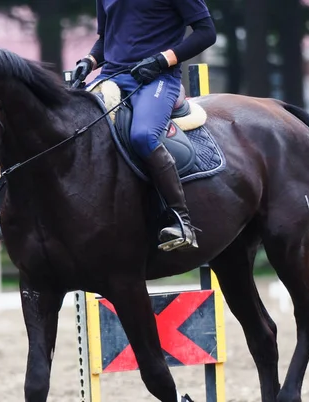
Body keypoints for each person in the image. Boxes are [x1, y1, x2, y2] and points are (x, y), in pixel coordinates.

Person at [71, 0, 217, 251]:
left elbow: (206, 32)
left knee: (143, 136)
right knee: (76, 131)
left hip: (157, 78)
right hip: (111, 77)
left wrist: (162, 60)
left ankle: (181, 219)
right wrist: (90, 60)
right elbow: (108, 39)